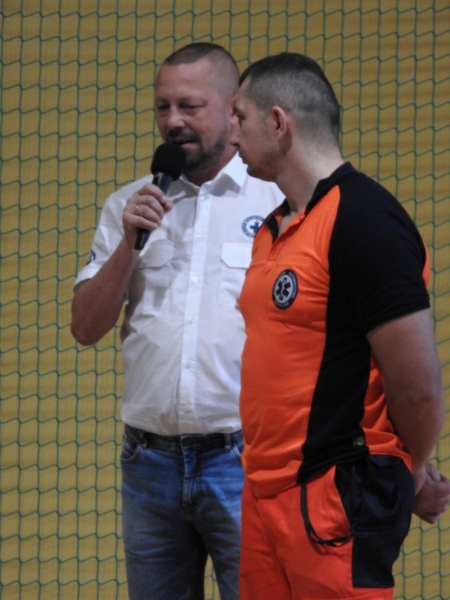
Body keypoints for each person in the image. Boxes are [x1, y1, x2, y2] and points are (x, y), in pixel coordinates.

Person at [70, 43, 284, 600]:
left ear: (233, 110)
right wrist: (128, 244)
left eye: (189, 106)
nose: (172, 122)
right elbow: (85, 328)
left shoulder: (279, 202)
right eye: (162, 107)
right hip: (149, 465)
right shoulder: (127, 205)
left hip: (247, 461)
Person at [233, 52, 448, 600]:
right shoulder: (274, 226)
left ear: (278, 123)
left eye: (239, 116)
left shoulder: (365, 220)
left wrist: (411, 471)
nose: (230, 132)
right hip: (261, 496)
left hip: (333, 500)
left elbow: (419, 388)